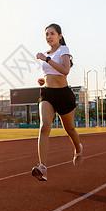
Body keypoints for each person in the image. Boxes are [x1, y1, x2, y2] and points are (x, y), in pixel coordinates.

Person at [31, 23, 82, 182]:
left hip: (63, 95)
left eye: (52, 34)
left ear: (59, 36)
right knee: (45, 125)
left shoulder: (63, 50)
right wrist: (44, 79)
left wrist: (46, 59)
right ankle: (43, 168)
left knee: (70, 128)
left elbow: (65, 70)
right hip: (47, 93)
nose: (49, 37)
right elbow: (50, 72)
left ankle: (78, 149)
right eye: (46, 34)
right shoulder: (47, 54)